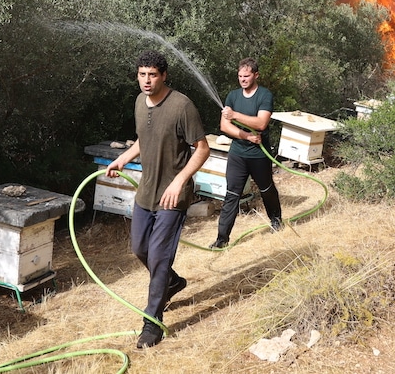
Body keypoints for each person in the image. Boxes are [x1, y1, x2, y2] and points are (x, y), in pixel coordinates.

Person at [106, 50, 210, 349]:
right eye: (142, 74)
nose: (147, 80)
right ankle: (173, 283)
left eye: (152, 74)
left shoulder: (182, 106)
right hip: (146, 192)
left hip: (171, 196)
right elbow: (144, 138)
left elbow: (202, 148)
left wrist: (180, 181)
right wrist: (122, 159)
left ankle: (152, 322)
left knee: (159, 257)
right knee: (140, 249)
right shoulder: (139, 102)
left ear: (164, 75)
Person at [210, 57, 282, 249]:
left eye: (247, 76)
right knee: (231, 194)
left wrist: (235, 116)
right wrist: (246, 136)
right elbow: (224, 125)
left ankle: (276, 220)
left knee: (266, 189)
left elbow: (261, 123)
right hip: (238, 154)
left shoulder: (265, 95)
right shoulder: (233, 96)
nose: (242, 79)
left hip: (259, 155)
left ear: (256, 75)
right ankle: (221, 239)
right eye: (240, 76)